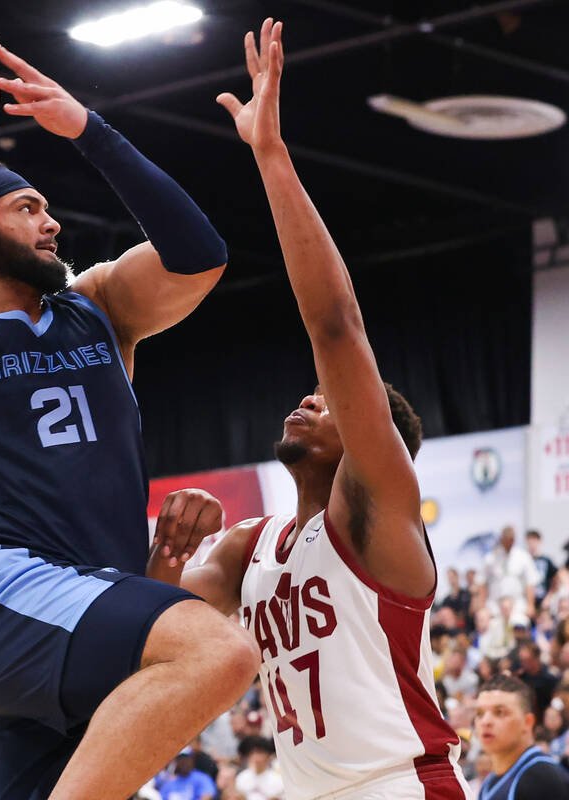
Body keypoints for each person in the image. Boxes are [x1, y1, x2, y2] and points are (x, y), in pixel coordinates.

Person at [0, 27, 259, 800]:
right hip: (9, 597)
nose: (52, 222)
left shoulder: (98, 307)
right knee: (219, 654)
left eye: (47, 207)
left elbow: (199, 256)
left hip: (87, 606)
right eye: (26, 208)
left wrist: (89, 132)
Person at [153, 19, 468, 798]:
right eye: (312, 396)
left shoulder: (377, 513)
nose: (308, 397)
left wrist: (270, 154)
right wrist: (160, 559)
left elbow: (335, 326)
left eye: (329, 404)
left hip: (401, 784)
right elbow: (155, 643)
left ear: (374, 441)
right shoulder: (248, 547)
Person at [474, 675, 569, 798]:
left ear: (527, 722)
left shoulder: (543, 780)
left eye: (499, 712)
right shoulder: (489, 782)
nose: (485, 721)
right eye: (480, 713)